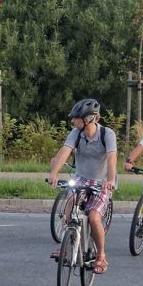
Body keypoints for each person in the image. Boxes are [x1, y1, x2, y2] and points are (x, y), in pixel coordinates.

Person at [47, 98, 117, 273]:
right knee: (70, 203)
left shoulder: (107, 134)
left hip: (102, 182)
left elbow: (111, 158)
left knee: (93, 217)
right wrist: (54, 173)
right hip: (81, 178)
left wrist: (110, 180)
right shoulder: (76, 133)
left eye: (76, 118)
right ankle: (66, 244)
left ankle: (101, 256)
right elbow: (65, 152)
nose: (73, 121)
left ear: (89, 119)